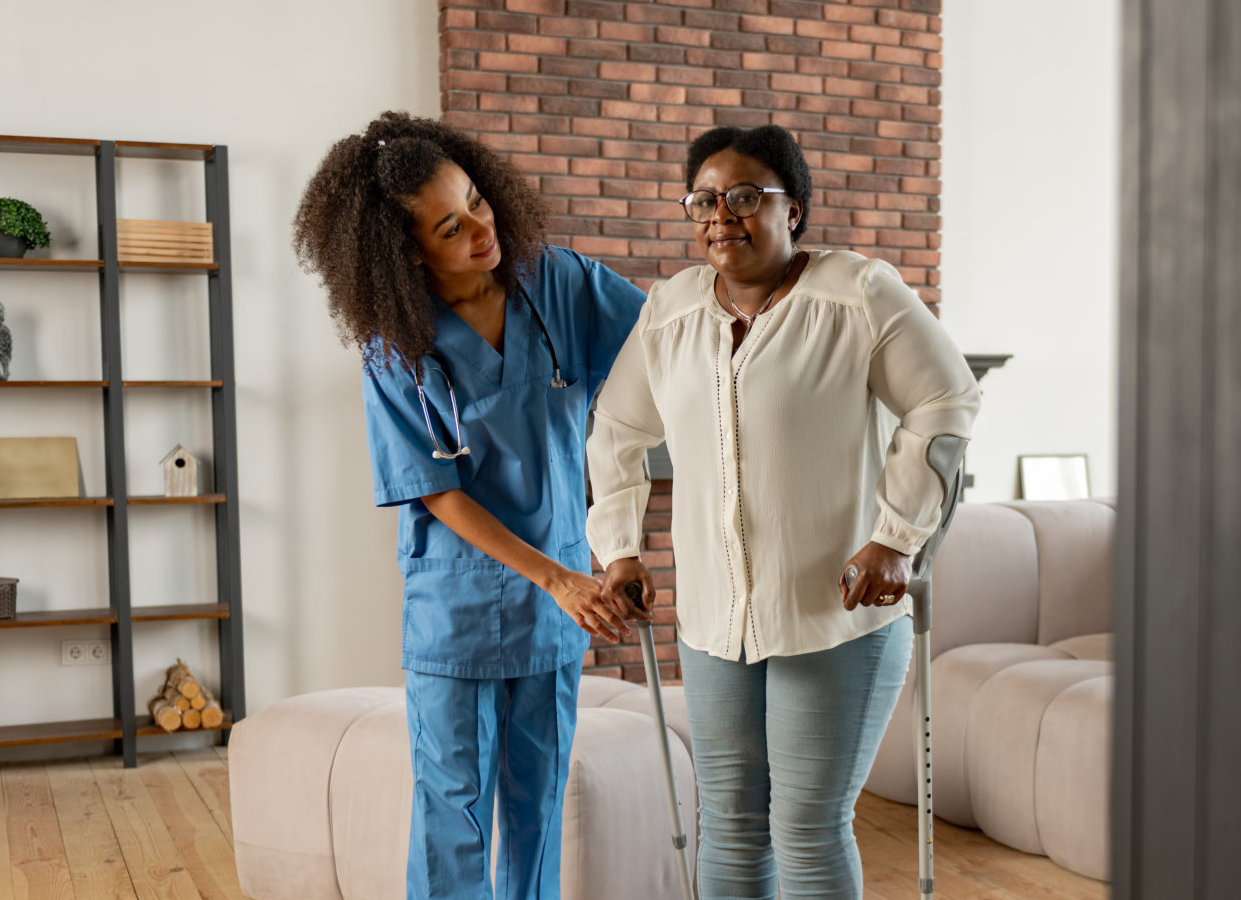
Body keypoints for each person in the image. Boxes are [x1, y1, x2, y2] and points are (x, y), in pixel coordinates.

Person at [587, 125, 980, 899]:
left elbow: (945, 398)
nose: (721, 216)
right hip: (713, 619)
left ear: (791, 210)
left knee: (805, 826)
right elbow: (617, 429)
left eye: (744, 197)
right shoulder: (670, 310)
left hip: (833, 613)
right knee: (728, 821)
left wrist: (895, 538)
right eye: (704, 199)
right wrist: (619, 551)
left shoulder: (857, 293)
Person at [292, 111, 647, 899]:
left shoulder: (560, 283)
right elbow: (438, 493)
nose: (481, 231)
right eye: (450, 228)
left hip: (559, 612)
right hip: (458, 606)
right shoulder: (397, 349)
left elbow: (666, 350)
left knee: (538, 806)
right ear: (407, 254)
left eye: (478, 203)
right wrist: (557, 578)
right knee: (454, 814)